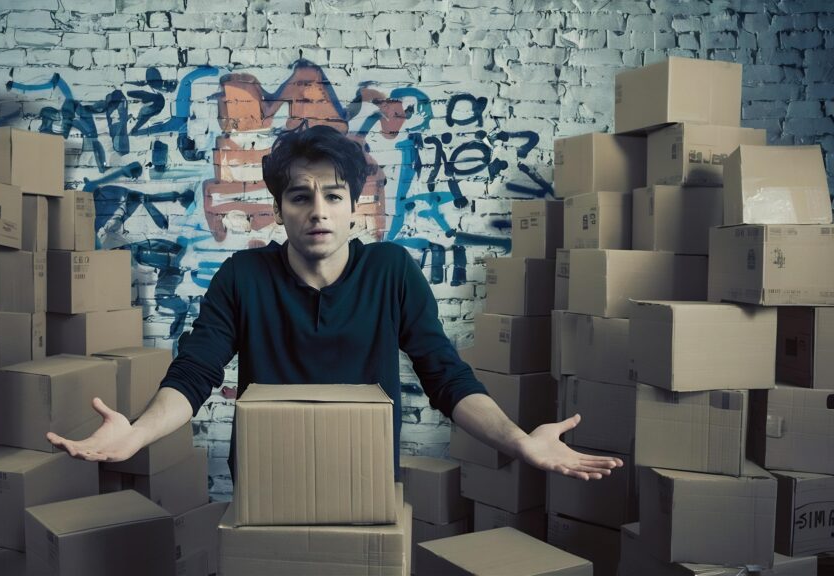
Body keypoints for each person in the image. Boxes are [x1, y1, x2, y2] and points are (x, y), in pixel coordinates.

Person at [48, 124, 622, 482]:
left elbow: (445, 376)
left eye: (333, 196)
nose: (318, 211)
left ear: (354, 208)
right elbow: (197, 370)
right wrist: (138, 434)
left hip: (365, 476)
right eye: (300, 197)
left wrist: (520, 441)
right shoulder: (244, 276)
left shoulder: (392, 271)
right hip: (267, 479)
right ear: (279, 210)